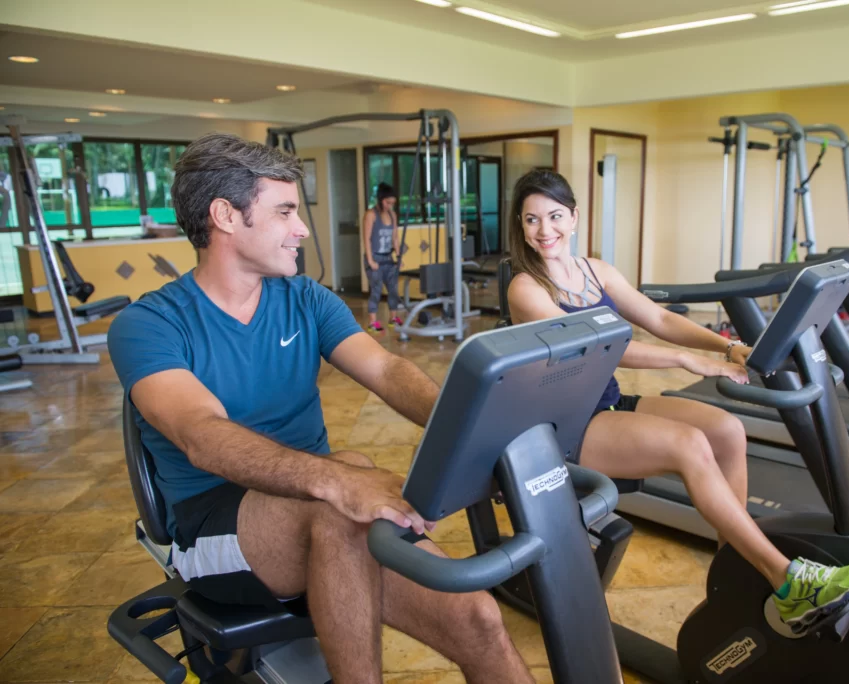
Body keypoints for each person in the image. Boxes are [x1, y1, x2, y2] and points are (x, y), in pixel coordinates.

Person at [107, 134, 532, 684]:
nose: (302, 229)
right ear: (225, 216)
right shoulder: (150, 324)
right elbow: (201, 434)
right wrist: (335, 481)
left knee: (477, 619)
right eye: (284, 211)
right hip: (213, 521)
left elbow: (387, 371)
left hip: (325, 514)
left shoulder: (306, 298)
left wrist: (474, 432)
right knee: (341, 490)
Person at [505, 169, 849, 635]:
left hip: (610, 403)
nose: (544, 230)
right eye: (532, 219)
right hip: (565, 427)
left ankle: (735, 575)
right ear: (521, 226)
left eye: (555, 216)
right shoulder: (526, 288)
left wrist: (726, 347)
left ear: (574, 217)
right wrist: (686, 360)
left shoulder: (596, 271)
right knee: (689, 445)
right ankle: (786, 580)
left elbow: (658, 318)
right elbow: (597, 348)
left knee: (726, 431)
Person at [364, 182, 403, 332]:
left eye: (392, 203)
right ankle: (372, 322)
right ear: (381, 199)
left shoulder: (392, 215)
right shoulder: (371, 215)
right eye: (387, 202)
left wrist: (398, 256)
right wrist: (370, 260)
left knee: (393, 289)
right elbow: (367, 239)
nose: (390, 206)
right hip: (375, 258)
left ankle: (393, 318)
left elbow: (395, 238)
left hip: (388, 258)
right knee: (376, 290)